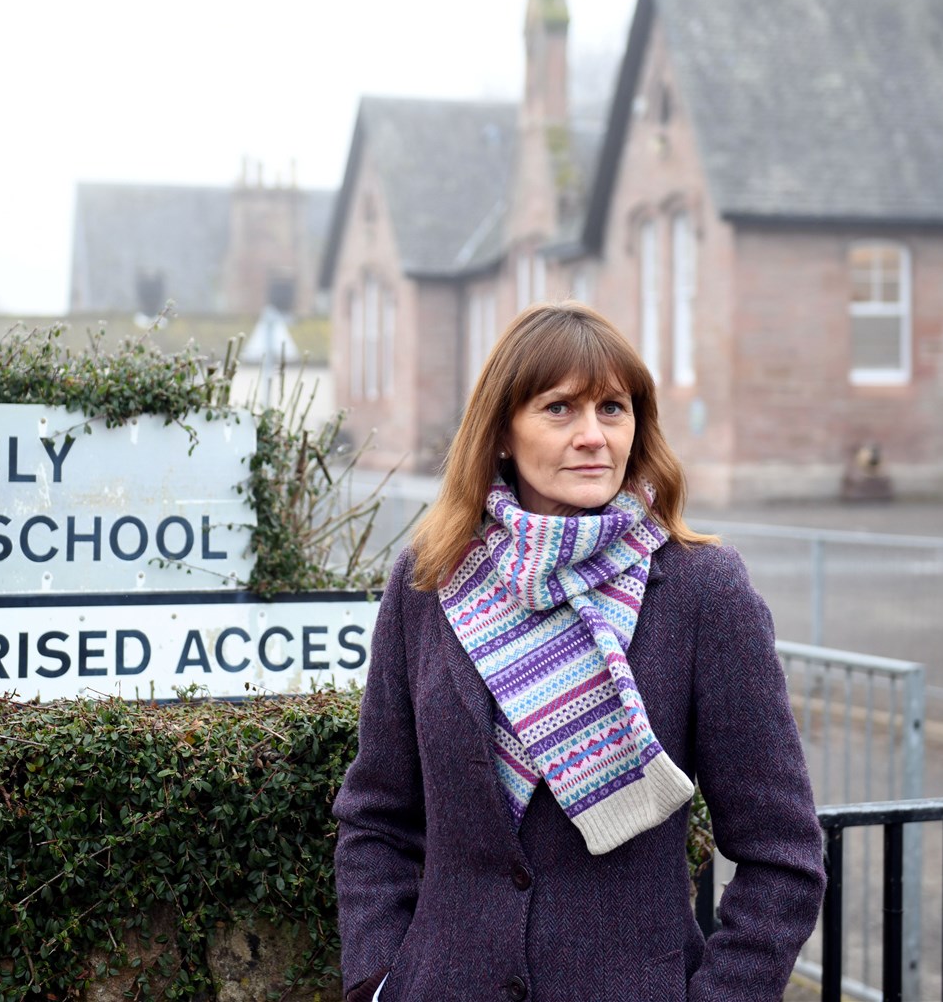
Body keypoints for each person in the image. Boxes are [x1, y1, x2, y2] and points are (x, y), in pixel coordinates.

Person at [333, 302, 825, 1001]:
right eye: (559, 409)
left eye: (613, 409)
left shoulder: (701, 592)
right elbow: (376, 817)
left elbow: (785, 856)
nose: (593, 436)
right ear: (502, 431)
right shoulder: (431, 579)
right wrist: (377, 982)